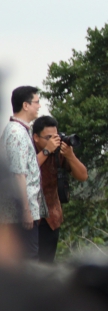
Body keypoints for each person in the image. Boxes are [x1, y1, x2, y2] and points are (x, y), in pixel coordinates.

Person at [32, 116, 88, 263]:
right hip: (28, 217)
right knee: (26, 266)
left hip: (50, 218)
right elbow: (24, 170)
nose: (53, 141)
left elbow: (83, 175)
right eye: (48, 138)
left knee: (45, 265)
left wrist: (70, 155)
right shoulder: (26, 148)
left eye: (55, 137)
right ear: (36, 137)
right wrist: (45, 151)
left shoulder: (58, 153)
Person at [0, 86, 46, 259]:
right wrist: (26, 210)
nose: (39, 106)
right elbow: (19, 174)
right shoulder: (16, 133)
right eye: (36, 102)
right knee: (28, 259)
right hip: (17, 215)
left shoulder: (21, 130)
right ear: (25, 105)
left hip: (22, 212)